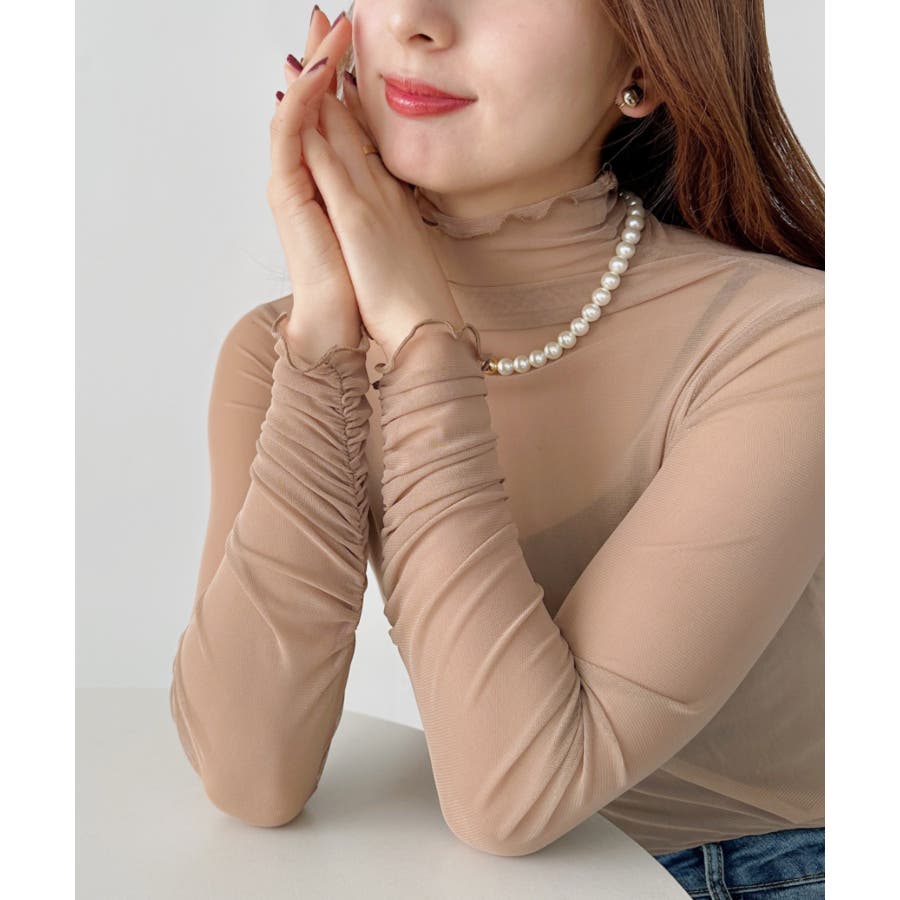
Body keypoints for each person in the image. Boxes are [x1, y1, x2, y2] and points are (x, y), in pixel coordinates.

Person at [169, 2, 825, 895]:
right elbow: (250, 777)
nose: (418, 21)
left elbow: (514, 797)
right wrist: (327, 336)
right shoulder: (289, 352)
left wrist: (423, 344)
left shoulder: (795, 340)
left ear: (645, 61)